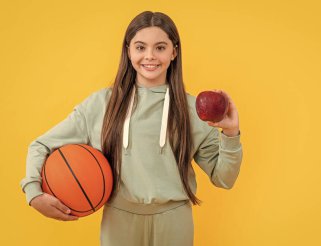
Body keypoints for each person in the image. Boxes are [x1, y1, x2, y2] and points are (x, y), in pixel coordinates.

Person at [20, 11, 243, 246]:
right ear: (128, 50)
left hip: (175, 221)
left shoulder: (192, 110)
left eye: (160, 47)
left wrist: (230, 134)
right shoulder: (101, 104)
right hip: (119, 220)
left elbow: (224, 178)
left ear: (174, 52)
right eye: (140, 47)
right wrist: (33, 192)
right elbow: (41, 145)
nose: (149, 56)